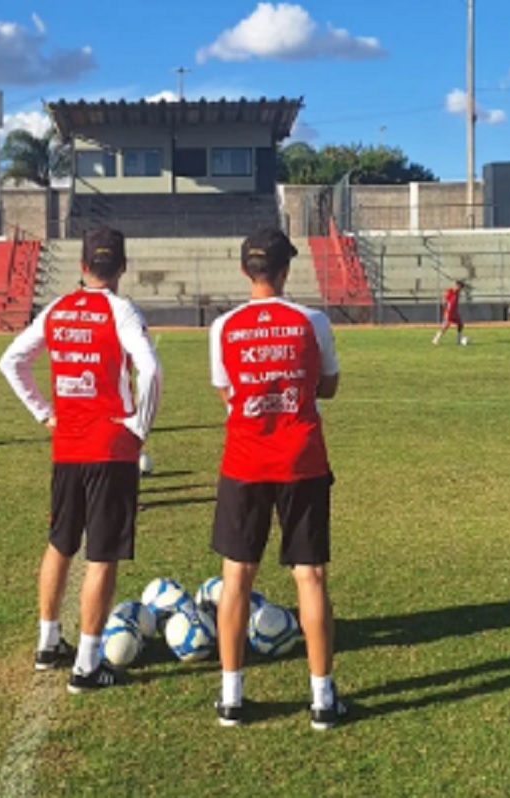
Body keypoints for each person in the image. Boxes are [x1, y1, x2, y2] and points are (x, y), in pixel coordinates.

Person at [0, 227, 161, 693]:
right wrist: (139, 426)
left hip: (67, 446)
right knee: (103, 554)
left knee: (60, 542)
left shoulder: (57, 309)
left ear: (82, 265)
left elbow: (13, 361)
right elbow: (149, 368)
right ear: (122, 266)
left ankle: (48, 644)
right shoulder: (122, 310)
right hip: (110, 447)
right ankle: (87, 665)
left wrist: (44, 413)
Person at [208, 227, 346, 730]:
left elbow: (226, 393)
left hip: (244, 462)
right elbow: (326, 387)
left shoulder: (223, 326)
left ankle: (231, 697)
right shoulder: (313, 321)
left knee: (236, 577)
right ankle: (322, 700)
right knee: (309, 576)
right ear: (287, 270)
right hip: (301, 462)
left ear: (247, 270)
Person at [432, 280, 467, 346]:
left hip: (454, 312)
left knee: (460, 325)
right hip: (449, 312)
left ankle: (458, 339)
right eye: (461, 287)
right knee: (445, 326)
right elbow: (444, 301)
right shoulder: (449, 291)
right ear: (457, 286)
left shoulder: (457, 293)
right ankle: (436, 339)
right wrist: (446, 309)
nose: (461, 289)